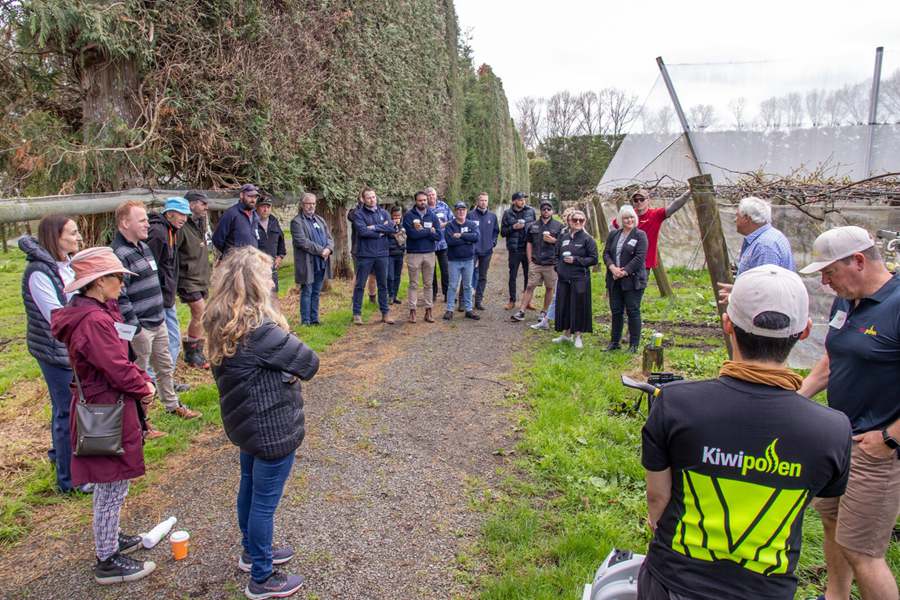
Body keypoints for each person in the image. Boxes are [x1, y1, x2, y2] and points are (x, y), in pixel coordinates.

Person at [639, 265, 852, 600]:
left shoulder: (675, 403)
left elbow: (658, 499)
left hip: (675, 580)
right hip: (767, 588)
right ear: (806, 331)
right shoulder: (833, 430)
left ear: (727, 325)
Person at [204, 247, 319, 599]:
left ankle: (252, 553)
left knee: (250, 489)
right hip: (271, 429)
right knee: (264, 503)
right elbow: (309, 363)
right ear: (255, 283)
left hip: (246, 426)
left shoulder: (223, 320)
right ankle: (262, 577)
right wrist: (285, 369)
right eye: (267, 275)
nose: (273, 280)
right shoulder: (261, 331)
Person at [797, 226, 900, 600]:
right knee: (832, 521)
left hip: (876, 451)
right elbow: (831, 361)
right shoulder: (848, 300)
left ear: (858, 261)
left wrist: (889, 438)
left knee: (863, 551)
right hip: (839, 440)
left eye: (829, 272)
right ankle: (834, 596)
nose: (825, 282)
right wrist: (795, 400)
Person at [51, 247, 158, 585]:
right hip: (105, 409)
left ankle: (110, 538)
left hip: (107, 404)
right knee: (111, 482)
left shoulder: (95, 311)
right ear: (98, 283)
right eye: (116, 278)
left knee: (112, 482)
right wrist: (144, 387)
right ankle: (107, 559)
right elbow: (114, 366)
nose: (121, 285)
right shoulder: (94, 320)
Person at [112, 201, 201, 440]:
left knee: (164, 368)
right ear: (124, 223)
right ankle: (142, 423)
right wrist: (135, 328)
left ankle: (172, 405)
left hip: (157, 319)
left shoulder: (142, 246)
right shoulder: (119, 255)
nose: (147, 224)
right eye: (141, 220)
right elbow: (119, 296)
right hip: (140, 328)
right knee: (138, 377)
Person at [19, 215, 83, 493]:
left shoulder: (68, 265)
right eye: (72, 232)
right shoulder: (38, 272)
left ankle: (61, 457)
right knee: (66, 412)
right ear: (55, 237)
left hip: (75, 348)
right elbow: (57, 317)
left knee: (70, 409)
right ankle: (68, 480)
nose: (78, 237)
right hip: (55, 351)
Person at [146, 197, 191, 375]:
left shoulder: (171, 230)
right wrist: (158, 294)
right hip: (159, 298)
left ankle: (164, 379)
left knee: (169, 339)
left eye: (186, 215)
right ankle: (155, 380)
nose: (184, 219)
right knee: (169, 339)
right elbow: (150, 267)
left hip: (167, 295)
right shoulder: (157, 233)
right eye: (181, 214)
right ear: (169, 212)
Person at [603, 205, 649, 353]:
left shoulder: (640, 235)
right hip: (614, 279)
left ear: (634, 218)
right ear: (620, 220)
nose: (629, 220)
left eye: (631, 217)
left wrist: (625, 271)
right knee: (616, 311)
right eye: (625, 218)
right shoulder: (614, 235)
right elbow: (606, 254)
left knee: (632, 311)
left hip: (633, 280)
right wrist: (612, 268)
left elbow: (639, 257)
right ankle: (614, 342)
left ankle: (633, 345)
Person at [613, 188, 691, 271]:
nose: (639, 202)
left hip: (643, 263)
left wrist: (689, 192)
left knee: (640, 284)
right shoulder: (628, 216)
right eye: (636, 200)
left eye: (642, 199)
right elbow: (614, 227)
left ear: (648, 200)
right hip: (625, 261)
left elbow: (674, 206)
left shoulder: (655, 215)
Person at [177, 191, 212, 369]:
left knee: (199, 315)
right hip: (187, 278)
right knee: (200, 312)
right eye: (202, 203)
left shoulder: (201, 223)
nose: (206, 207)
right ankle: (191, 354)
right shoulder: (182, 226)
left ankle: (197, 351)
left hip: (201, 277)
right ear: (191, 204)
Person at [552, 210, 597, 349]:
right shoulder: (563, 237)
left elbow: (594, 259)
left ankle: (578, 335)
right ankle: (566, 334)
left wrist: (576, 260)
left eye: (581, 220)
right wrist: (558, 268)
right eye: (575, 220)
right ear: (569, 221)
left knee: (578, 306)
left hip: (580, 278)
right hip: (564, 278)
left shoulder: (588, 239)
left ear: (584, 222)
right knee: (564, 305)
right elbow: (556, 255)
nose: (578, 222)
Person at [512, 200, 563, 323]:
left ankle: (544, 312)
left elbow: (562, 244)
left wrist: (553, 241)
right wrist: (530, 261)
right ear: (540, 210)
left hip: (551, 264)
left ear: (552, 211)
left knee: (550, 288)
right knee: (529, 286)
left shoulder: (559, 226)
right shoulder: (533, 225)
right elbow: (528, 243)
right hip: (536, 262)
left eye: (548, 209)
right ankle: (521, 311)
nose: (546, 211)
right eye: (544, 209)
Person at [350, 188, 395, 325]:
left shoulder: (384, 212)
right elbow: (363, 232)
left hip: (382, 254)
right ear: (363, 199)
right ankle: (357, 314)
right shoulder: (358, 214)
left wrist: (373, 228)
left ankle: (385, 313)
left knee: (383, 285)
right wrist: (381, 229)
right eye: (369, 197)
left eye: (374, 197)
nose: (372, 199)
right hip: (365, 255)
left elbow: (392, 228)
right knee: (360, 285)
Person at [290, 193, 334, 326]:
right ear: (302, 205)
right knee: (307, 291)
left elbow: (329, 238)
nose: (311, 206)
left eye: (313, 203)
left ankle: (315, 319)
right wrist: (322, 251)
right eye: (308, 203)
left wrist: (328, 249)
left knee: (316, 291)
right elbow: (302, 242)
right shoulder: (297, 222)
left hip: (321, 262)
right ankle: (306, 321)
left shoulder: (320, 220)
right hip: (308, 262)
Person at [531, 207, 577, 331]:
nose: (568, 220)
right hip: (561, 267)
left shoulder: (579, 234)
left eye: (570, 217)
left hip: (575, 271)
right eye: (566, 217)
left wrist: (554, 242)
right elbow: (560, 248)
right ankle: (547, 320)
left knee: (572, 297)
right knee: (557, 295)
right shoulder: (564, 231)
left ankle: (572, 327)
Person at [402, 191, 441, 323]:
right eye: (420, 200)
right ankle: (412, 311)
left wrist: (423, 232)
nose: (423, 202)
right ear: (416, 201)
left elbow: (439, 236)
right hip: (413, 253)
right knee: (413, 284)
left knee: (428, 284)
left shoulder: (433, 216)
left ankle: (428, 311)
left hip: (429, 253)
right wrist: (429, 231)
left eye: (424, 200)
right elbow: (412, 235)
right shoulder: (408, 216)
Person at [443, 202, 481, 321]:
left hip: (468, 260)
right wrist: (467, 239)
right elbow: (450, 241)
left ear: (466, 211)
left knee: (467, 286)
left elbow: (476, 237)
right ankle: (449, 310)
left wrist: (461, 235)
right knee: (452, 286)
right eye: (458, 209)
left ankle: (469, 309)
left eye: (463, 209)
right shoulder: (450, 225)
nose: (461, 212)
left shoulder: (471, 224)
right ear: (455, 211)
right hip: (454, 260)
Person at [501, 192, 537, 309]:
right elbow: (503, 232)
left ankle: (528, 301)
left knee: (529, 276)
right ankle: (512, 300)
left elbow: (535, 228)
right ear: (514, 201)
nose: (523, 201)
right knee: (513, 276)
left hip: (528, 249)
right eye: (520, 199)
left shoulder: (530, 211)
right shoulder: (507, 213)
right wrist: (513, 227)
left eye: (524, 199)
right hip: (515, 249)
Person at [469, 192, 499, 310]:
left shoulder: (492, 216)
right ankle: (463, 301)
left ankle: (478, 301)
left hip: (486, 251)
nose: (483, 202)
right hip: (473, 251)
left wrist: (493, 242)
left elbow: (496, 231)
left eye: (485, 200)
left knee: (483, 276)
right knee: (468, 275)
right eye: (481, 200)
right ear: (477, 201)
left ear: (488, 202)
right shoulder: (470, 215)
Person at [212, 183, 261, 255]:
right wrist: (229, 254)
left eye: (255, 197)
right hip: (234, 262)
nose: (253, 200)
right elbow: (217, 239)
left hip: (251, 261)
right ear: (241, 195)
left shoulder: (255, 215)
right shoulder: (231, 213)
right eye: (250, 196)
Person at [347, 195, 378, 303]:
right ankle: (355, 300)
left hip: (374, 247)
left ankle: (372, 298)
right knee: (359, 276)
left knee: (373, 275)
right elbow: (352, 217)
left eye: (372, 197)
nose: (370, 199)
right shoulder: (354, 212)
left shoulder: (377, 211)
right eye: (365, 197)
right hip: (358, 249)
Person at [426, 186, 452, 303]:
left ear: (436, 195)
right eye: (429, 195)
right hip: (428, 243)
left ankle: (447, 293)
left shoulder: (444, 206)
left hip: (443, 244)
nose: (431, 197)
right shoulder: (423, 208)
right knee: (431, 270)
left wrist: (443, 224)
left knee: (445, 269)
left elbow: (452, 220)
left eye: (433, 194)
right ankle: (433, 294)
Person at [255, 197, 287, 293]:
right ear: (257, 207)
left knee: (273, 295)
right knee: (258, 296)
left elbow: (281, 239)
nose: (265, 209)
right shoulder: (251, 222)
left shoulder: (274, 221)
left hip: (272, 267)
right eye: (263, 207)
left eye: (268, 207)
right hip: (256, 266)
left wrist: (280, 256)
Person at [387, 205, 406, 305]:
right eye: (394, 216)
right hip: (390, 253)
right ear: (391, 216)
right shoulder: (388, 225)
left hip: (400, 253)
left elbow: (403, 240)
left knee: (397, 276)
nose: (396, 218)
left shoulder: (403, 226)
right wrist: (393, 228)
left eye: (398, 216)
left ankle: (395, 296)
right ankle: (390, 295)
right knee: (390, 276)